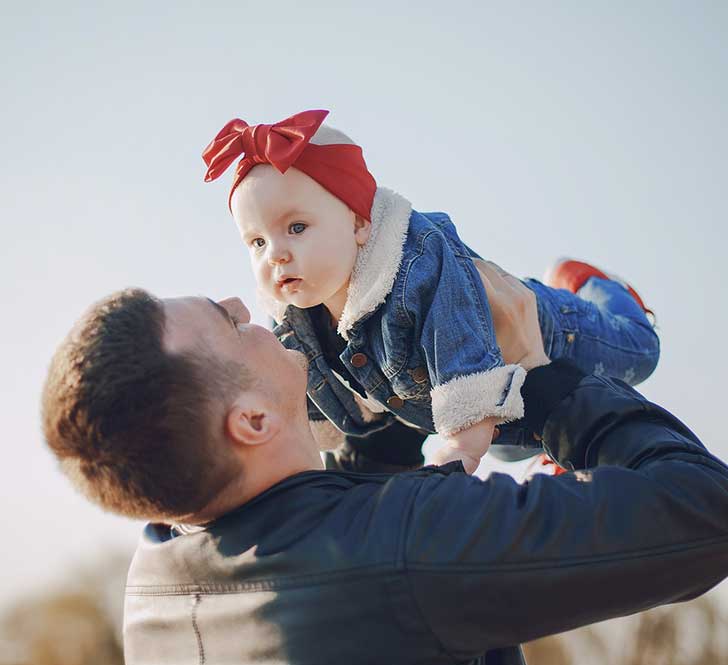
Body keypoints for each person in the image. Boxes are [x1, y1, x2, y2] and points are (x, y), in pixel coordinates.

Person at [42, 264, 728, 665]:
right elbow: (703, 512)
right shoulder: (406, 551)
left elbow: (332, 553)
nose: (243, 305)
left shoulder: (153, 594)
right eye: (225, 323)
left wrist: (375, 401)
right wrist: (541, 374)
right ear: (251, 422)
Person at [202, 108, 660, 473]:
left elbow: (464, 369)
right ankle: (557, 452)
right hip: (493, 405)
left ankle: (596, 285)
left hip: (554, 330)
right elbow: (303, 404)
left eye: (297, 227)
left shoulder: (418, 265)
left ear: (360, 223)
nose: (275, 254)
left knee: (641, 351)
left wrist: (458, 448)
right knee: (507, 446)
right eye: (257, 242)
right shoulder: (291, 322)